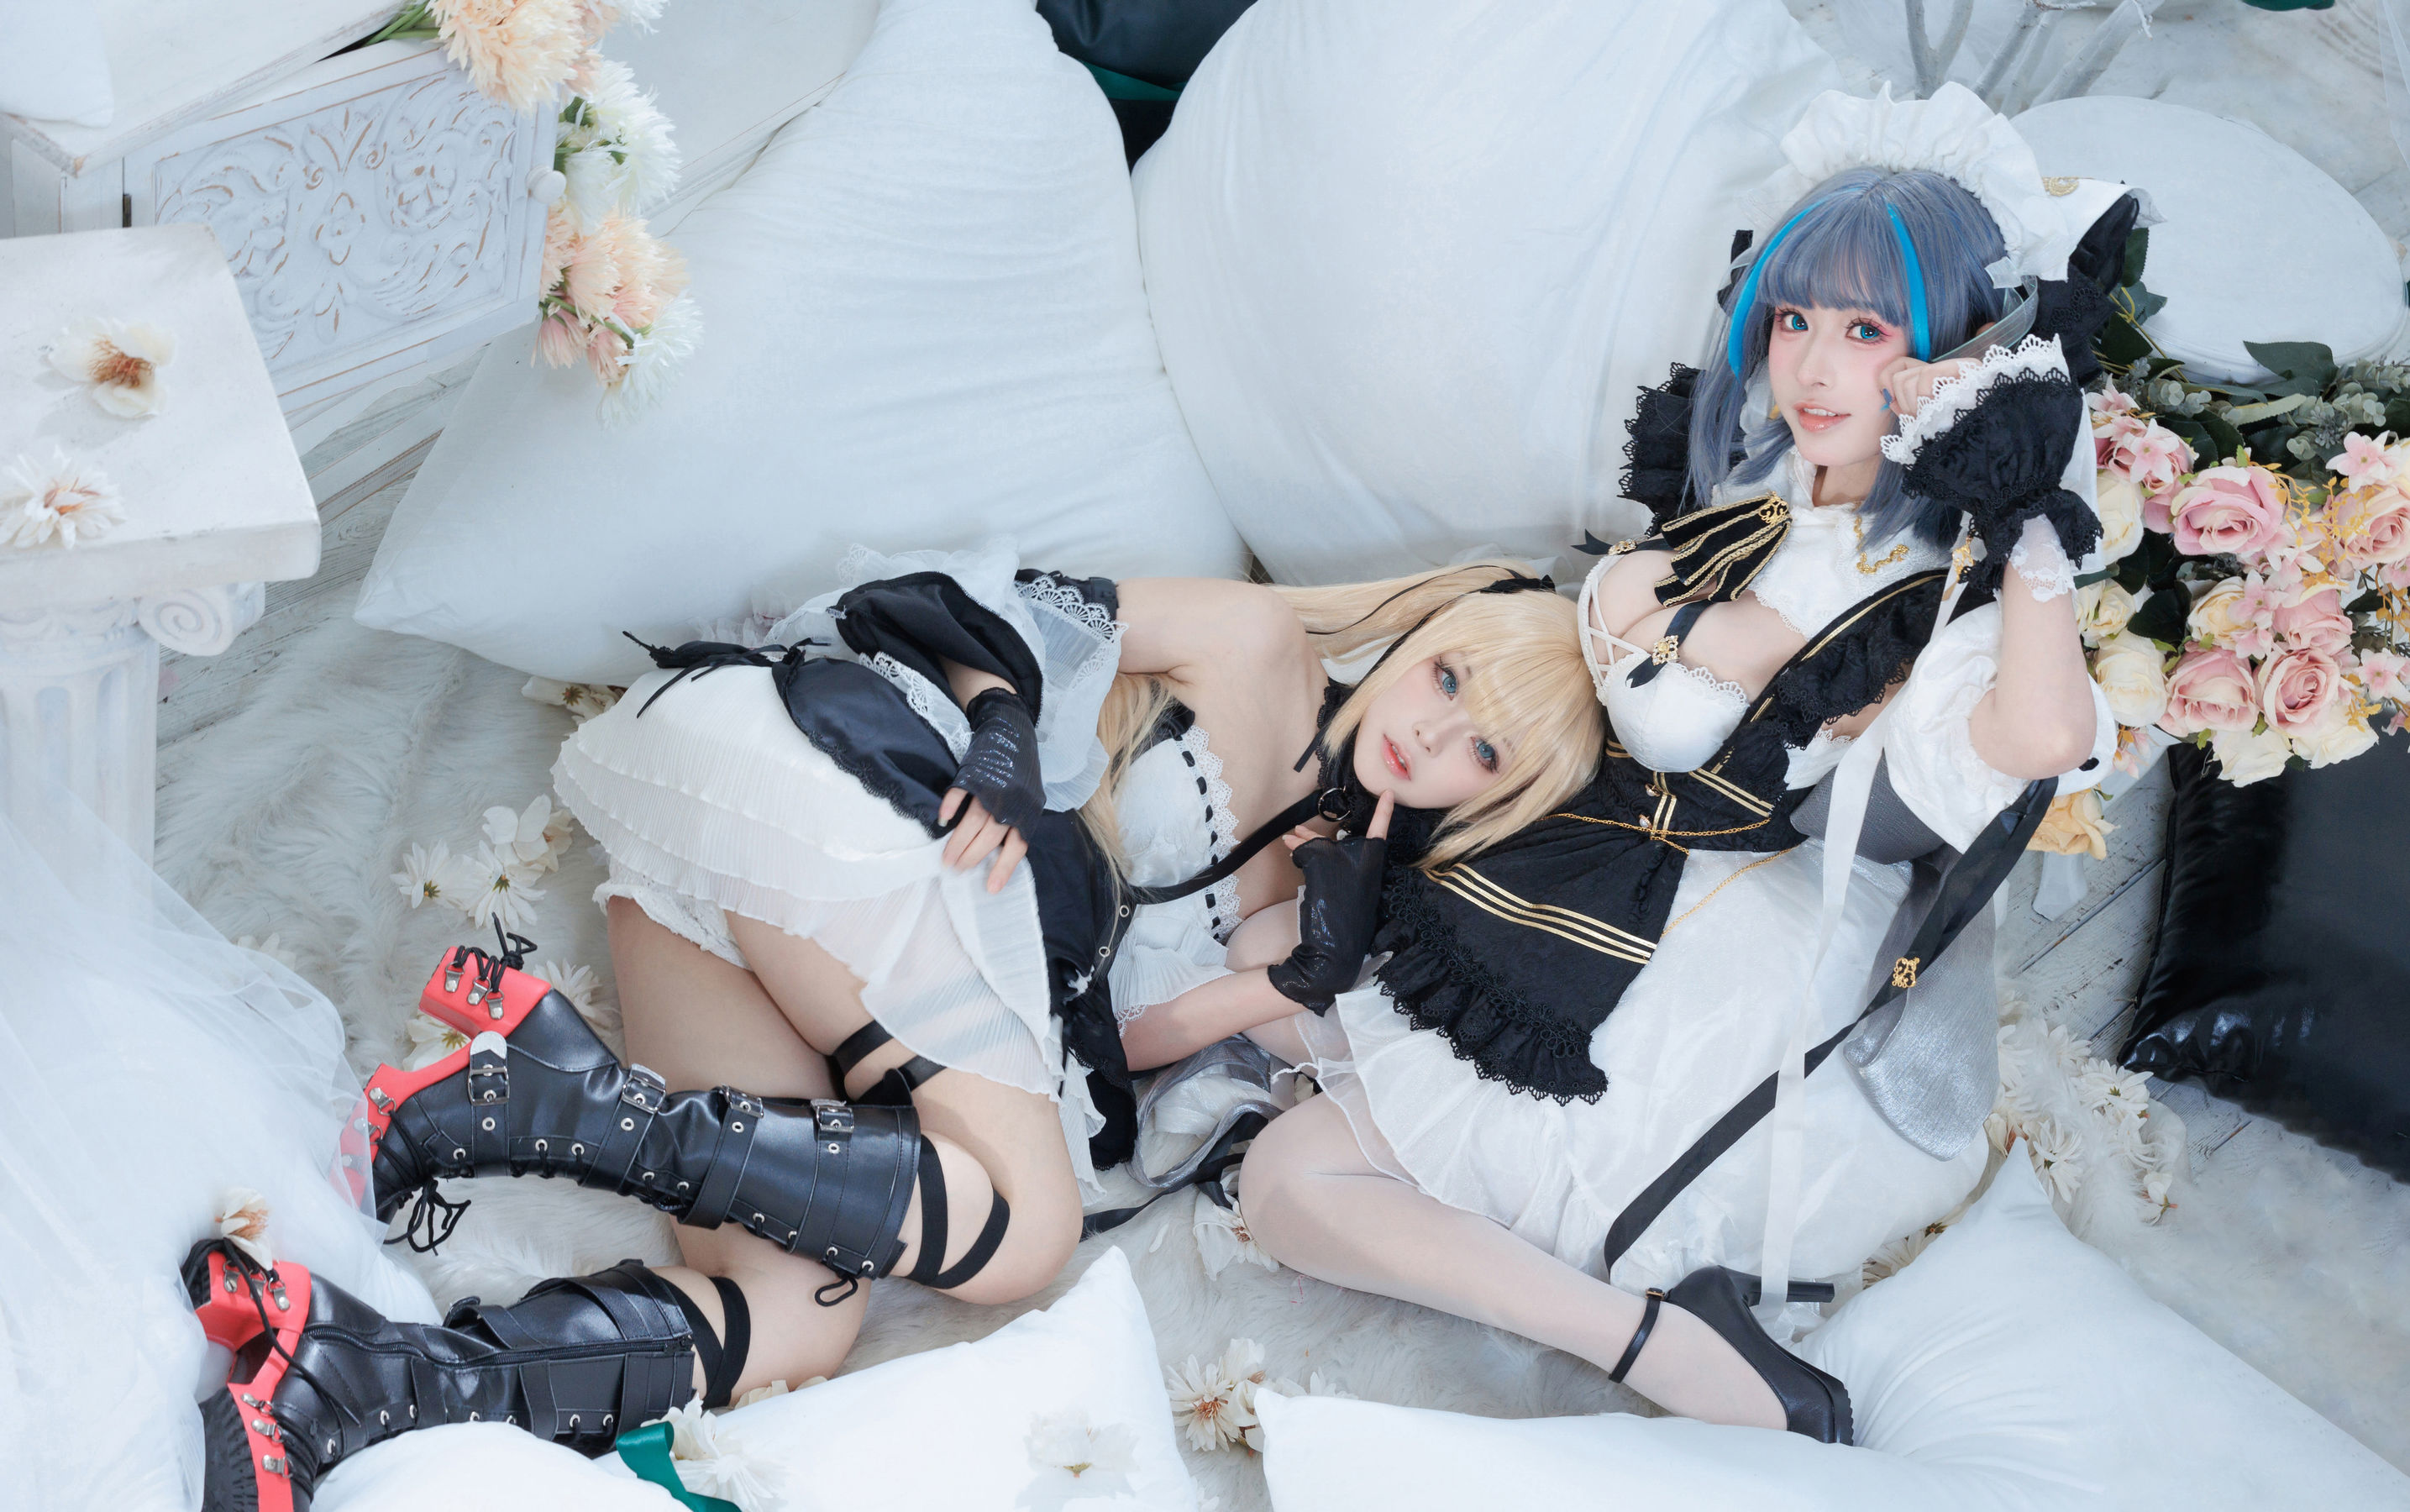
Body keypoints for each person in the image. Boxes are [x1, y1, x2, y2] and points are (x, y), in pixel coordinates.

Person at [188, 548, 1601, 1509]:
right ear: (1426, 634)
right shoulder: (1255, 645)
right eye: (1451, 680)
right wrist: (1001, 728)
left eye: (1485, 753)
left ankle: (368, 1380)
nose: (1434, 736)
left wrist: (1289, 985)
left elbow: (1095, 1052)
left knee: (798, 1319)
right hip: (827, 804)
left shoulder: (1326, 915)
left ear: (1502, 805)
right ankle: (534, 1107)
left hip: (774, 935)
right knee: (1026, 1235)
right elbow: (964, 608)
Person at [1200, 86, 2128, 1444]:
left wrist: (2028, 507)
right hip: (1585, 873)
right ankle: (1637, 1319)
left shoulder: (1938, 591)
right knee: (1263, 992)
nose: (1811, 367)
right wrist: (1668, 616)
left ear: (1954, 357)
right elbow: (1623, 639)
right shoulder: (1765, 502)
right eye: (1795, 321)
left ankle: (1662, 1347)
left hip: (1707, 964)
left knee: (1289, 1174)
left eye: (1865, 332)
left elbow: (2040, 741)